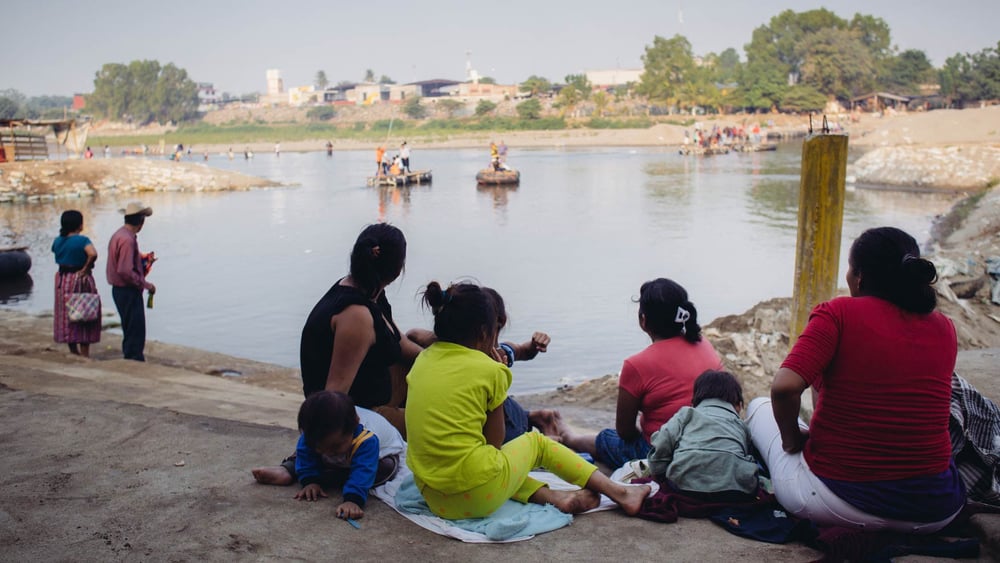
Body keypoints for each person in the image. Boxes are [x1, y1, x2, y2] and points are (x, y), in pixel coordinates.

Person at [745, 226, 966, 533]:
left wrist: (791, 439)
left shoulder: (838, 313)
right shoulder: (944, 327)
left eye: (849, 270)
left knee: (758, 408)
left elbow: (784, 388)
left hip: (840, 502)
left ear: (860, 277)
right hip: (934, 511)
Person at [405, 281, 652, 519]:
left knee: (484, 466)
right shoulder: (490, 370)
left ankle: (555, 497)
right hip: (477, 498)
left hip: (434, 498)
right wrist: (498, 381)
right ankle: (620, 492)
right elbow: (495, 445)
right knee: (535, 444)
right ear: (483, 332)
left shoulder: (422, 361)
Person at [556, 278, 723, 469]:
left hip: (666, 456)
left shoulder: (636, 365)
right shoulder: (703, 344)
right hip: (715, 442)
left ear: (643, 321)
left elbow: (625, 431)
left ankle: (567, 437)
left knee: (607, 439)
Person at [299, 223, 420, 436]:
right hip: (360, 414)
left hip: (379, 392)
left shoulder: (367, 290)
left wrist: (450, 361)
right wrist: (302, 456)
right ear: (398, 270)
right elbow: (334, 394)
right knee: (447, 423)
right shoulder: (356, 316)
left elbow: (400, 343)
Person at [406, 286, 558, 444]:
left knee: (501, 405)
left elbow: (523, 351)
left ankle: (533, 419)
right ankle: (536, 422)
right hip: (493, 427)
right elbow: (414, 334)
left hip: (502, 420)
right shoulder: (469, 357)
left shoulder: (497, 353)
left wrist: (534, 346)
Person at [251, 391, 404, 520]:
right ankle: (290, 468)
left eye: (335, 446)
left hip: (380, 457)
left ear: (354, 424)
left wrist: (353, 499)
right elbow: (306, 451)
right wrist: (310, 481)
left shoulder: (367, 439)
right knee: (309, 453)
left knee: (383, 470)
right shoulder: (317, 436)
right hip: (341, 457)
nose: (329, 452)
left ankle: (322, 474)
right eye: (322, 447)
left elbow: (364, 470)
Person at [647, 370, 758, 501]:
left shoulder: (687, 413)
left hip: (683, 485)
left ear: (694, 401)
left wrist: (658, 471)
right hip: (734, 491)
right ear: (739, 406)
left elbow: (663, 440)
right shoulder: (741, 425)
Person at [106, 201, 156, 361]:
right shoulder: (127, 240)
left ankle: (131, 356)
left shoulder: (119, 235)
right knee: (135, 328)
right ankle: (134, 359)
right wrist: (146, 285)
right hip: (127, 290)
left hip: (120, 289)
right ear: (141, 222)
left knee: (130, 327)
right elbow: (125, 270)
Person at [51, 210, 101, 357]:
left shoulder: (57, 241)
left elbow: (55, 252)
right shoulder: (82, 240)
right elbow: (93, 253)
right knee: (84, 312)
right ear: (80, 225)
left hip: (62, 279)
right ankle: (85, 353)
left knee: (66, 313)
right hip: (79, 279)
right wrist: (85, 268)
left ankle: (73, 350)